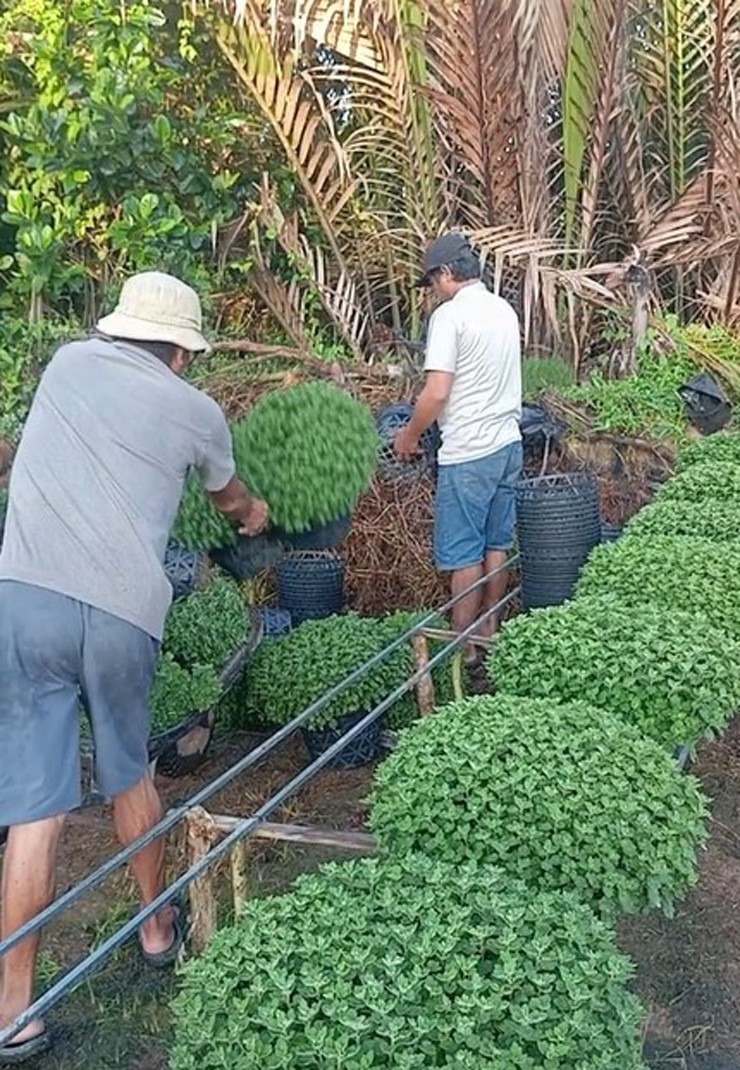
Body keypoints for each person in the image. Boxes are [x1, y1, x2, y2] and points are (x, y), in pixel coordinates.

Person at [0, 271, 268, 1063]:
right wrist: (254, 516)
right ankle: (156, 930)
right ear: (182, 352)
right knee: (129, 775)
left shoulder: (67, 364)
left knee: (35, 810)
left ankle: (14, 1012)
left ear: (117, 330)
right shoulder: (196, 411)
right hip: (120, 611)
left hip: (27, 600)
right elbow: (229, 500)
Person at [395, 233, 522, 663]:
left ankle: (460, 645)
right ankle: (489, 626)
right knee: (496, 543)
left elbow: (436, 392)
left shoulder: (450, 317)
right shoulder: (503, 309)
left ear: (447, 273)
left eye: (432, 282)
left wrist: (409, 436)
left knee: (464, 552)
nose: (432, 291)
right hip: (508, 445)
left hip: (469, 451)